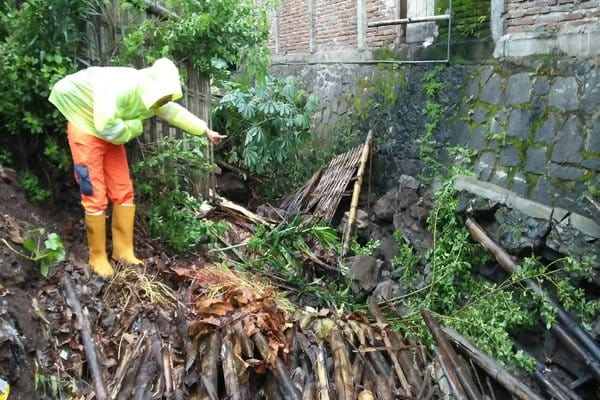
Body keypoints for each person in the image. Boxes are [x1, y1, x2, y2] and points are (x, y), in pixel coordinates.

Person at [49, 58, 226, 277]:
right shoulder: (122, 88)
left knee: (123, 190)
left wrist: (204, 130)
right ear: (154, 89)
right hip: (86, 128)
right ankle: (97, 256)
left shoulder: (153, 95)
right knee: (93, 192)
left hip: (112, 133)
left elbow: (173, 112)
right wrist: (134, 127)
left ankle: (123, 251)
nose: (165, 101)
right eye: (164, 98)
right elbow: (105, 125)